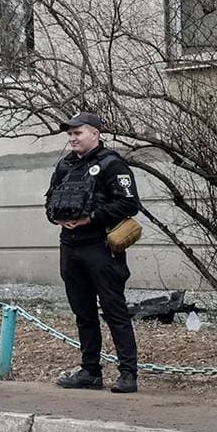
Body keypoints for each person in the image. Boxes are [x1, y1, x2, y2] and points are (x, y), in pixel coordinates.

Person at [47, 111, 142, 393]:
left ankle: (128, 373)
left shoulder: (112, 164)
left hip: (100, 246)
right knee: (83, 311)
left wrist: (92, 217)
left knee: (114, 310)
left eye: (78, 133)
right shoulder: (64, 166)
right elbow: (50, 201)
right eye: (70, 134)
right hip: (71, 246)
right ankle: (90, 371)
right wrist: (58, 218)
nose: (72, 138)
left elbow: (129, 204)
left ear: (95, 134)